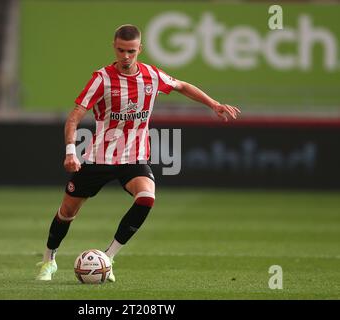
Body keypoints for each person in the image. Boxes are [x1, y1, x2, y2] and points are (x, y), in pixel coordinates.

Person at [36, 24, 240, 281]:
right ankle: (48, 261)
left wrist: (214, 104)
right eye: (121, 50)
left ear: (139, 49)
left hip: (134, 158)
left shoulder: (152, 76)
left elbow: (181, 85)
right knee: (67, 212)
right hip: (100, 157)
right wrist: (70, 152)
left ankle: (108, 258)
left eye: (131, 51)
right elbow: (74, 117)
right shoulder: (102, 79)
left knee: (146, 197)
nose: (125, 56)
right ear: (114, 47)